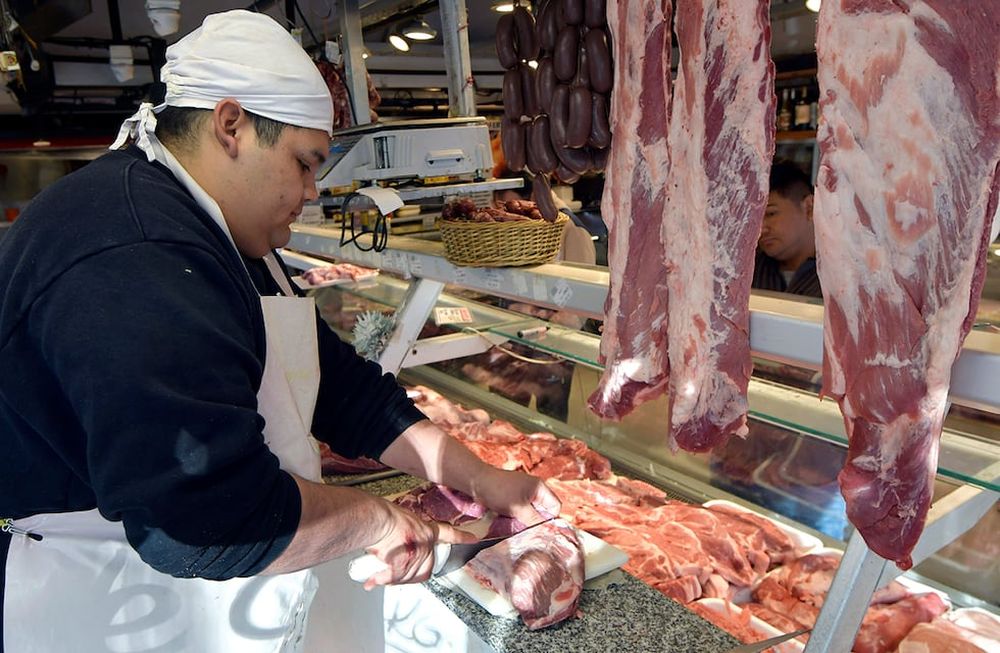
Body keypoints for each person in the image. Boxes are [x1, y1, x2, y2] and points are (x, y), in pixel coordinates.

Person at [0, 10, 558, 652]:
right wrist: (377, 520)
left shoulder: (222, 229)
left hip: (193, 586)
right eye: (304, 162)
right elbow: (204, 521)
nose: (312, 191)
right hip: (105, 599)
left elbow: (341, 390)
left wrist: (478, 476)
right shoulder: (138, 251)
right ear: (231, 125)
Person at [752, 159, 823, 298]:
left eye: (771, 213)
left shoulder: (843, 274)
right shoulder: (749, 268)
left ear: (809, 208)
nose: (761, 229)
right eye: (754, 220)